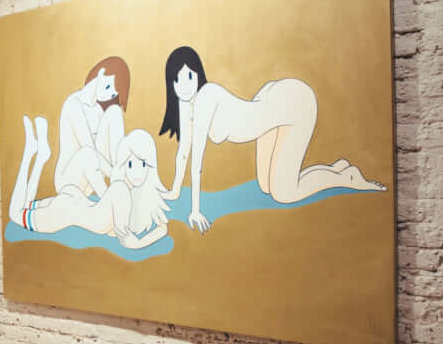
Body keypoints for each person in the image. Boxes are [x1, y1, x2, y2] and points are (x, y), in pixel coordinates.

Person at [158, 45, 386, 234]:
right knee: (266, 187)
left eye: (190, 76)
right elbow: (184, 151)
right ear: (172, 83)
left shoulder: (206, 97)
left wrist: (195, 210)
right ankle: (336, 169)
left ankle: (348, 177)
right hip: (268, 110)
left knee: (284, 194)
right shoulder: (186, 104)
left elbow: (198, 158)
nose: (184, 85)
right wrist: (174, 192)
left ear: (198, 75)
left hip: (294, 105)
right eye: (178, 79)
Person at [10, 116, 169, 250]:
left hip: (72, 202)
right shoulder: (120, 190)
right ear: (123, 164)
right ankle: (29, 153)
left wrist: (160, 228)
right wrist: (158, 233)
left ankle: (39, 157)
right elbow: (131, 242)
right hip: (64, 212)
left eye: (143, 164)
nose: (137, 172)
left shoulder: (123, 192)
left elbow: (120, 227)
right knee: (15, 213)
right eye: (130, 164)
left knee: (24, 206)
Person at [53, 56, 131, 198]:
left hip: (91, 178)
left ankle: (120, 183)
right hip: (68, 181)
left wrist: (118, 171)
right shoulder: (73, 104)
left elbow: (106, 147)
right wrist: (112, 173)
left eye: (112, 94)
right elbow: (88, 147)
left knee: (115, 112)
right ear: (100, 74)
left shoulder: (99, 109)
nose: (107, 96)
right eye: (107, 87)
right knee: (87, 153)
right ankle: (109, 199)